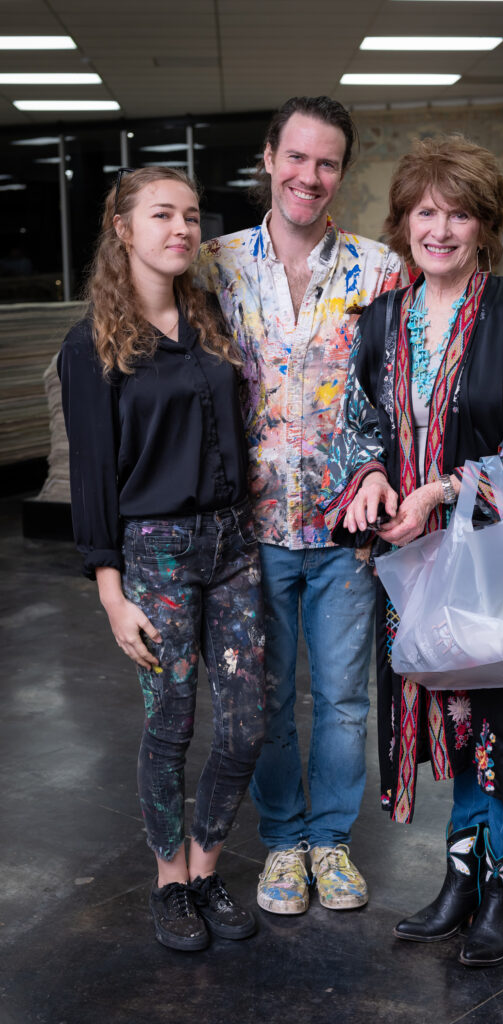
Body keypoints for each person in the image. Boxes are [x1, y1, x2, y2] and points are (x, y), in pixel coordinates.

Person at [322, 135, 503, 966]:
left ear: (484, 225)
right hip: (418, 563)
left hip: (498, 558)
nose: (441, 228)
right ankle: (460, 879)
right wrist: (375, 481)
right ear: (404, 223)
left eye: (459, 212)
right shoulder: (383, 318)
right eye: (427, 211)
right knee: (458, 718)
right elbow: (360, 424)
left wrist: (445, 489)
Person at [197, 96, 403, 916]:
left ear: (341, 173)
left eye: (326, 163)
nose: (308, 177)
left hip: (346, 527)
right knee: (269, 697)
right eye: (296, 158)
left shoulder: (380, 268)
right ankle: (283, 844)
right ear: (269, 159)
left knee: (347, 696)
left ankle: (332, 843)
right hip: (250, 529)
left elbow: (396, 392)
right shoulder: (215, 265)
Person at [58, 167, 265, 951]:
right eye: (161, 215)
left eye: (190, 215)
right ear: (123, 228)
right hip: (156, 553)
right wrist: (111, 592)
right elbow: (92, 477)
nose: (180, 228)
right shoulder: (93, 344)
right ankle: (170, 884)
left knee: (246, 725)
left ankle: (208, 868)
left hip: (233, 545)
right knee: (171, 727)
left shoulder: (210, 318)